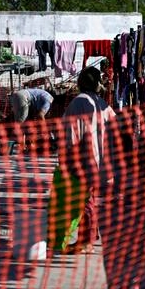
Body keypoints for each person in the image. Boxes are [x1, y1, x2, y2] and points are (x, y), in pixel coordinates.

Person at [48, 67, 114, 254]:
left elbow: (70, 135)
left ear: (81, 82)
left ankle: (87, 241)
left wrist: (65, 159)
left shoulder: (79, 102)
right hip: (99, 159)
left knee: (85, 201)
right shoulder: (101, 103)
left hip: (81, 158)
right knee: (88, 198)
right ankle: (90, 237)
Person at [9, 88, 54, 153]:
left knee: (24, 124)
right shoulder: (48, 101)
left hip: (19, 96)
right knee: (22, 124)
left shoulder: (44, 97)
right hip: (23, 97)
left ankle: (26, 146)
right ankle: (23, 148)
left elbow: (35, 116)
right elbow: (40, 115)